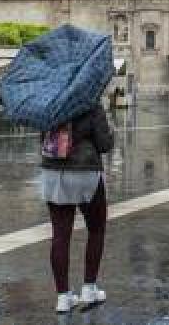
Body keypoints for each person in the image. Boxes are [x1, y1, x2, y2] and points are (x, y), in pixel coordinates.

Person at [42, 101, 114, 313]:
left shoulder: (50, 101)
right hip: (84, 171)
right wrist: (111, 134)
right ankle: (89, 289)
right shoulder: (90, 102)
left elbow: (43, 139)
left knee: (60, 235)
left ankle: (63, 297)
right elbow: (104, 144)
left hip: (53, 172)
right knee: (96, 228)